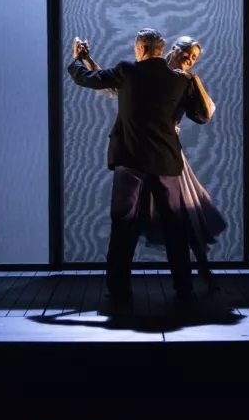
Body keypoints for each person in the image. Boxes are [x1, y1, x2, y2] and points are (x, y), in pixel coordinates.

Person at [67, 29, 213, 308]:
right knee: (175, 230)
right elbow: (201, 116)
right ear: (165, 49)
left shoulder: (128, 70)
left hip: (130, 162)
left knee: (124, 227)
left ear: (140, 48)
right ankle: (184, 288)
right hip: (166, 164)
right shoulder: (180, 80)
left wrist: (78, 61)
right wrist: (193, 81)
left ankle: (119, 289)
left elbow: (90, 80)